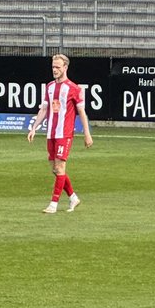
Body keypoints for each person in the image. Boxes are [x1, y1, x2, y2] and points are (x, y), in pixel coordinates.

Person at [27, 53, 93, 213]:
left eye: (57, 67)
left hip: (65, 133)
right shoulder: (49, 86)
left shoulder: (74, 89)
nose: (54, 70)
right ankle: (73, 198)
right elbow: (44, 109)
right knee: (55, 169)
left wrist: (87, 133)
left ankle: (53, 204)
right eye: (53, 67)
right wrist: (34, 127)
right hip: (51, 133)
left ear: (65, 68)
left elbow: (82, 112)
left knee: (60, 167)